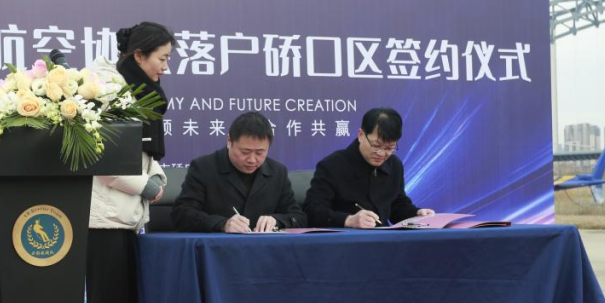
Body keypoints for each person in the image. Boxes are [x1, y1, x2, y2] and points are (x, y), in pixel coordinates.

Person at [85, 22, 174, 303]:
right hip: (103, 215)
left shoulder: (139, 90)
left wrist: (156, 178)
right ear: (139, 55)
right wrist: (144, 185)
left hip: (126, 214)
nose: (165, 67)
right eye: (161, 59)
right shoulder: (105, 88)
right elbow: (99, 155)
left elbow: (144, 154)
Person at [171, 111, 306, 233]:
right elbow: (181, 214)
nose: (252, 160)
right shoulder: (204, 168)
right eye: (245, 152)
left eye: (260, 152)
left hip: (265, 248)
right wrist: (222, 224)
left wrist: (277, 221)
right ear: (229, 141)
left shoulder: (277, 172)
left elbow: (299, 218)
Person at [303, 106, 434, 228]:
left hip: (384, 240)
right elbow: (312, 210)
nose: (381, 154)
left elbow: (397, 206)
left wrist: (416, 214)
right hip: (344, 240)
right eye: (376, 146)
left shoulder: (394, 165)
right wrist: (348, 220)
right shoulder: (332, 165)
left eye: (389, 148)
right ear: (361, 135)